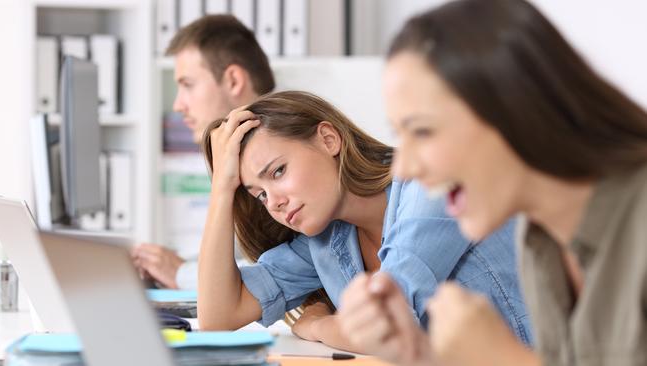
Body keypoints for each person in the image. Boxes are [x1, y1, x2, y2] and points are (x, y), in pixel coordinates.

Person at [338, 0, 647, 365]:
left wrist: (504, 359)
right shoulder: (539, 241)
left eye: (422, 131)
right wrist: (418, 354)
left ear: (516, 110)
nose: (403, 170)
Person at [196, 90, 530, 351]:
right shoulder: (325, 241)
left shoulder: (431, 183)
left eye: (278, 172)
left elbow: (386, 327)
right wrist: (222, 190)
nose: (275, 202)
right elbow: (218, 318)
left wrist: (317, 325)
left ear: (329, 139)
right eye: (260, 195)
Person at [131, 14, 275, 289]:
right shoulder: (237, 151)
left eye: (188, 85)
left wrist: (182, 273)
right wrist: (172, 266)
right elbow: (240, 257)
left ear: (233, 80)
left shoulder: (279, 154)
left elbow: (275, 270)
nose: (178, 105)